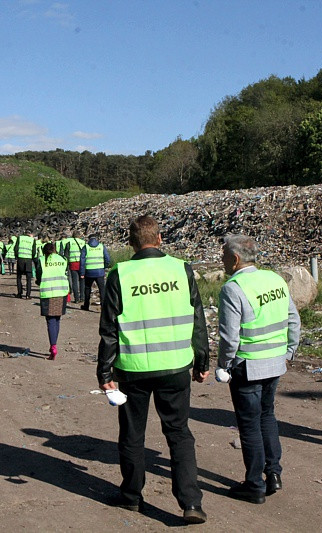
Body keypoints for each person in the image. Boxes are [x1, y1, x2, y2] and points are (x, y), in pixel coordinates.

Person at [97, 215, 210, 525]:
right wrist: (202, 362)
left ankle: (132, 496)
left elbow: (109, 330)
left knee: (133, 433)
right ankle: (191, 502)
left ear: (131, 243)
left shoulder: (120, 274)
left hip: (133, 368)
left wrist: (104, 373)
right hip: (175, 367)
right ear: (160, 239)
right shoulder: (181, 268)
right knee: (179, 434)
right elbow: (197, 320)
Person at [217, 234, 301, 504]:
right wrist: (288, 351)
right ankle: (273, 474)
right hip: (275, 362)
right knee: (267, 417)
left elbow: (230, 337)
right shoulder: (275, 279)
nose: (222, 260)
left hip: (247, 365)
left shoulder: (233, 288)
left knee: (249, 425)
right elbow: (293, 318)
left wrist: (224, 365)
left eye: (224, 255)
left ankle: (254, 484)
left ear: (236, 258)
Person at [34, 242, 69, 360]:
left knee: (50, 320)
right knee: (57, 319)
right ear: (55, 249)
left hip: (48, 293)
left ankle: (53, 346)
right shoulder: (63, 259)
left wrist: (39, 282)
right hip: (61, 292)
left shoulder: (42, 260)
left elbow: (38, 276)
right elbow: (65, 272)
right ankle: (54, 344)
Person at [79, 232, 111, 311]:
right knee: (102, 289)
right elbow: (107, 258)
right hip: (100, 272)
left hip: (89, 272)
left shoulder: (85, 247)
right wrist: (104, 267)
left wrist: (82, 273)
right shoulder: (101, 246)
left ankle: (86, 305)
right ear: (97, 239)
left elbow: (82, 261)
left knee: (87, 289)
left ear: (89, 239)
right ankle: (103, 307)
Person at [63, 231, 86, 303]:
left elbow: (66, 254)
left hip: (73, 263)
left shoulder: (69, 242)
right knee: (82, 281)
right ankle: (82, 297)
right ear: (79, 236)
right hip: (82, 264)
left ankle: (76, 298)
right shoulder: (83, 242)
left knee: (74, 281)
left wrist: (66, 265)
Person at [15, 231, 37, 299]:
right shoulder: (32, 240)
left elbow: (16, 249)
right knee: (28, 279)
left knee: (19, 277)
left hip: (20, 259)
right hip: (28, 260)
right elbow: (34, 251)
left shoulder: (20, 238)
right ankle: (28, 295)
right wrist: (32, 258)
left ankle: (19, 293)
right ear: (30, 234)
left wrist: (17, 257)